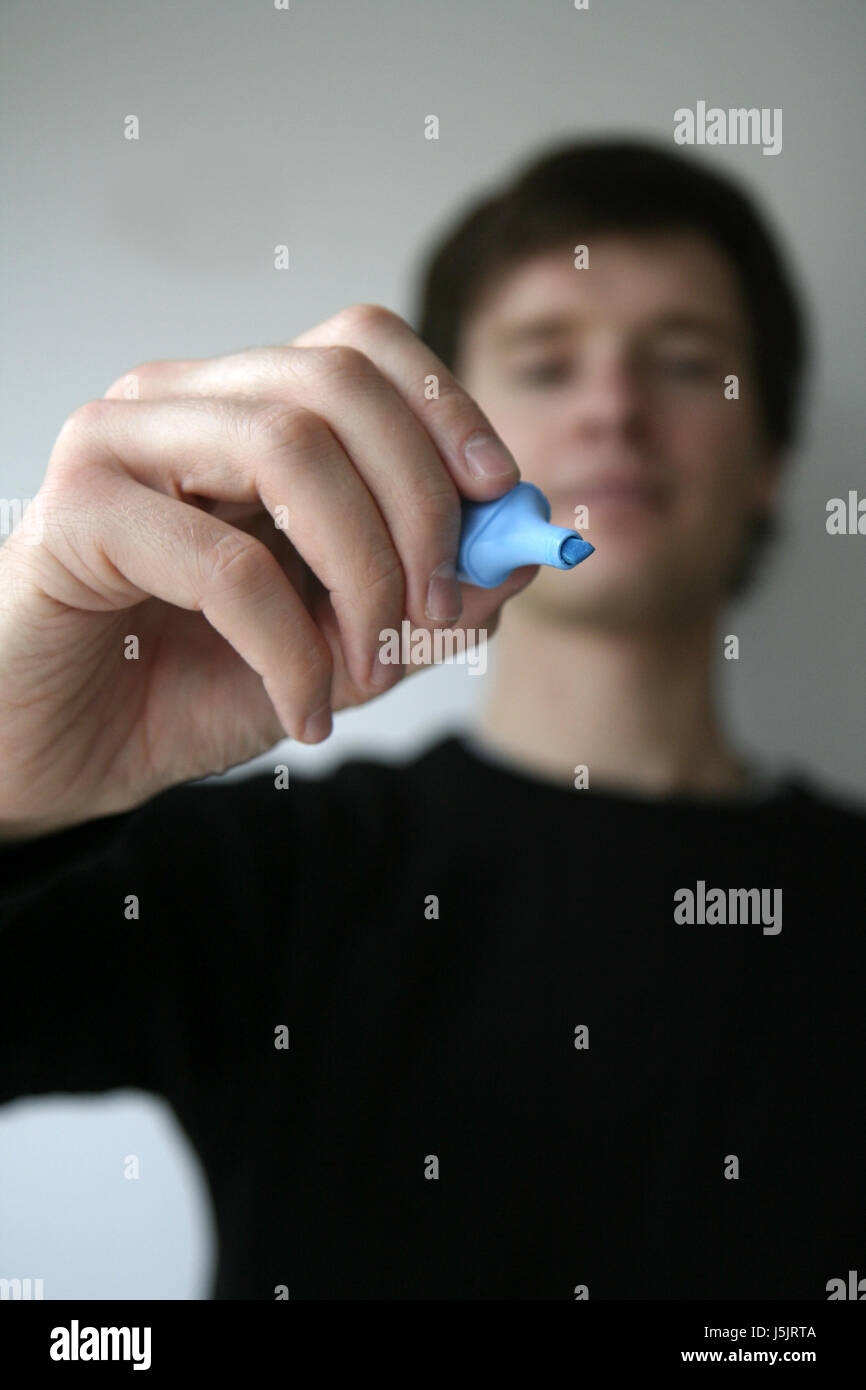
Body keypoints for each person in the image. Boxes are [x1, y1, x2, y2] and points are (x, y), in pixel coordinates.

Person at [0, 140, 863, 1301]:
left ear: (765, 454)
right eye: (547, 363)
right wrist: (18, 773)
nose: (610, 407)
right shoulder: (272, 877)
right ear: (446, 436)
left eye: (682, 363)